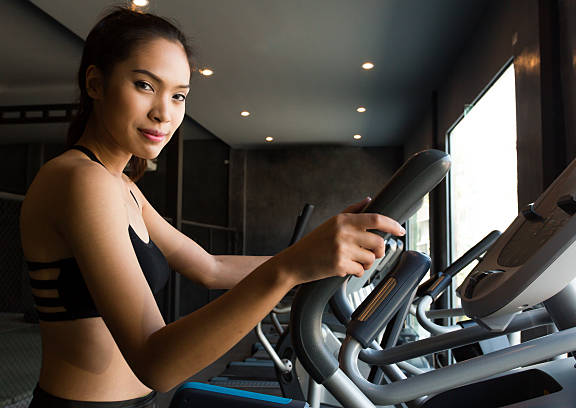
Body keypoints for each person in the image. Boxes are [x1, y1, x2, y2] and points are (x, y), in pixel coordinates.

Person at [19, 7, 405, 408]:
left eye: (178, 95)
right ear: (96, 83)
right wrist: (289, 268)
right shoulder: (82, 179)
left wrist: (316, 258)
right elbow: (157, 362)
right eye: (144, 85)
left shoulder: (122, 186)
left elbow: (209, 267)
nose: (164, 113)